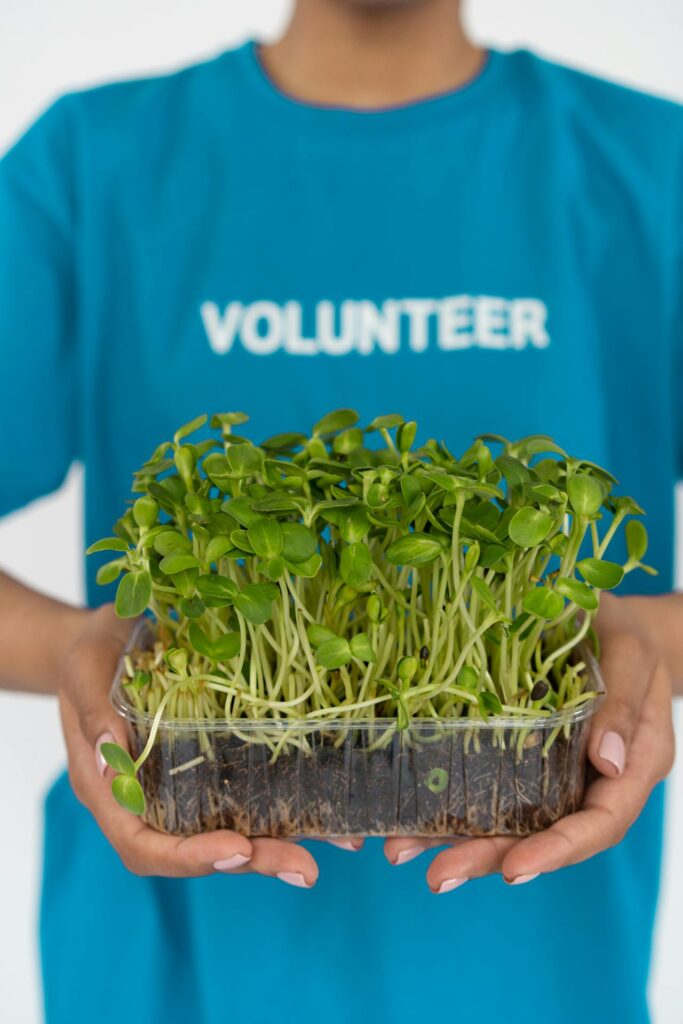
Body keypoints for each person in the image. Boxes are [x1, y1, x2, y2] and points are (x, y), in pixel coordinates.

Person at [1, 1, 681, 1021]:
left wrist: (645, 641)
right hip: (162, 978)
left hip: (533, 978)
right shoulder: (91, 165)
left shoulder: (650, 165)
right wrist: (75, 648)